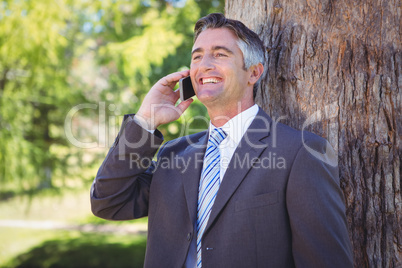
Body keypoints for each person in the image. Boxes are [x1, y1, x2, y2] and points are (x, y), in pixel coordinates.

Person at [91, 13, 354, 268]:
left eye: (219, 54)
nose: (204, 64)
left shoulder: (300, 153)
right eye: (197, 56)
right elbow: (108, 202)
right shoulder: (174, 153)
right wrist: (145, 121)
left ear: (253, 73)